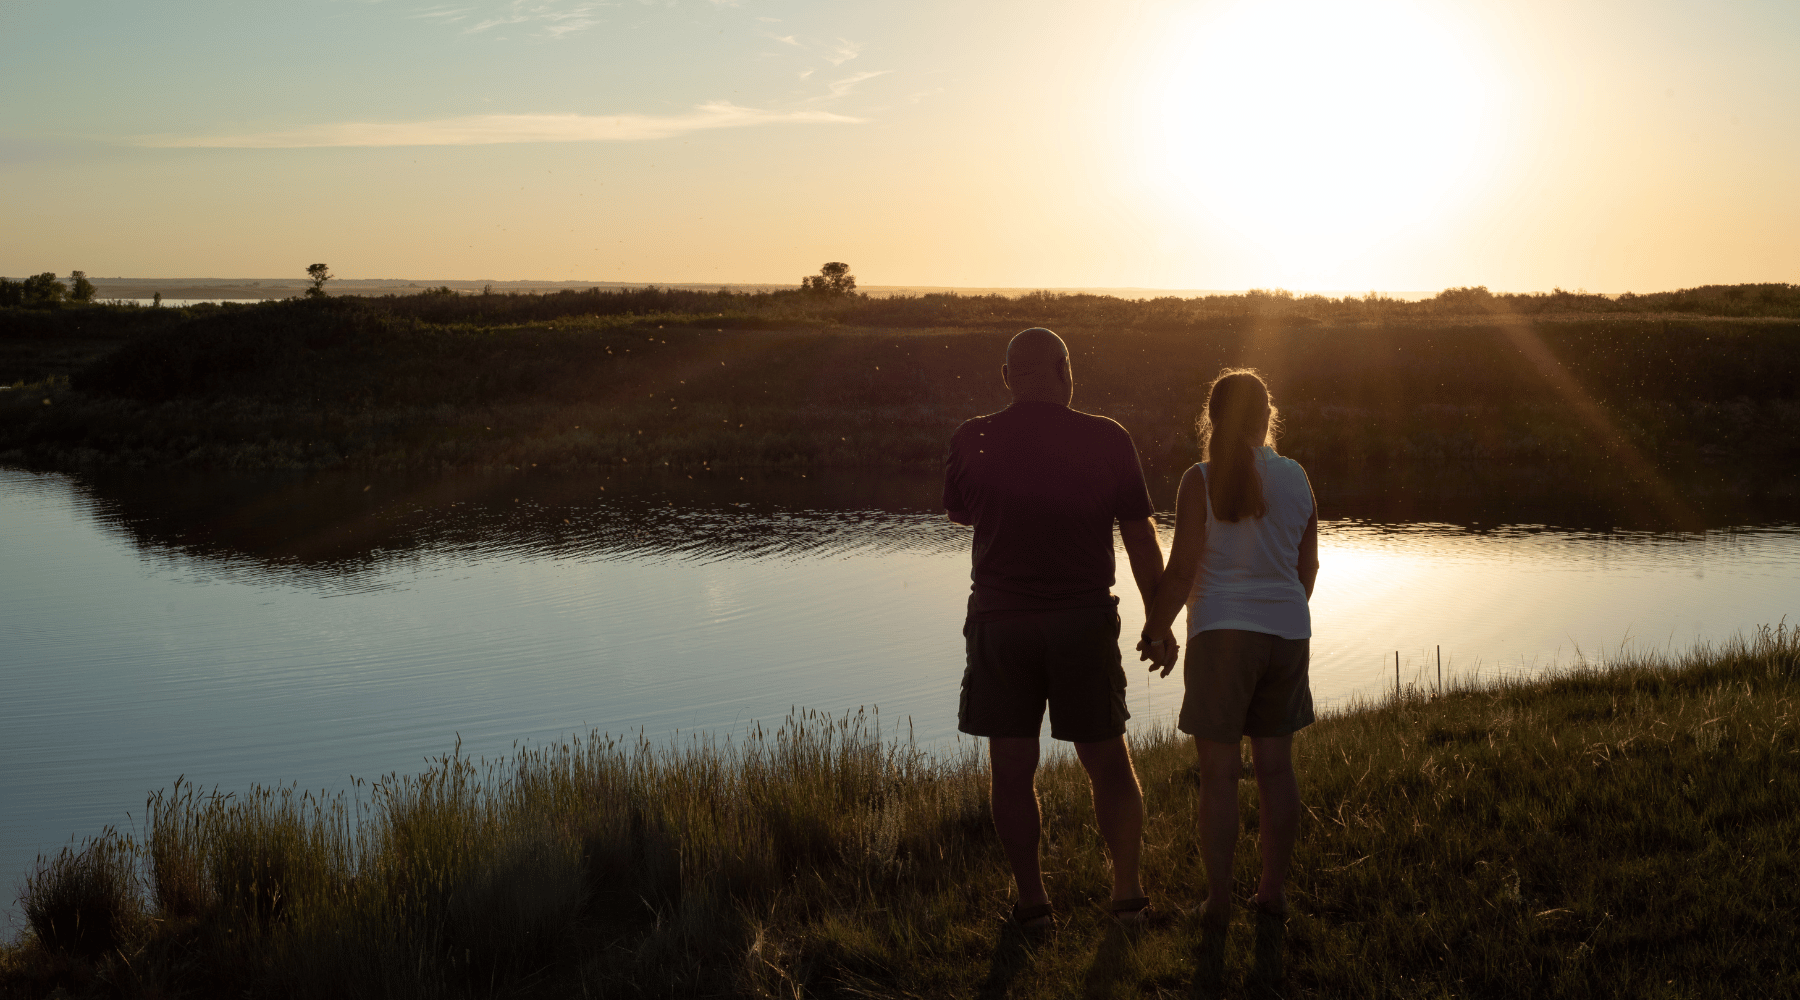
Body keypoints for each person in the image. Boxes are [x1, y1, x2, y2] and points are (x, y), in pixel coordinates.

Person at [944, 327, 1180, 934]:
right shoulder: (1106, 438)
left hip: (1000, 624)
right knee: (1108, 763)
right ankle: (1127, 901)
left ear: (1006, 377)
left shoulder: (974, 437)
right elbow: (1139, 539)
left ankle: (1032, 907)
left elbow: (964, 514)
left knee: (1012, 769)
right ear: (1065, 371)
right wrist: (1158, 622)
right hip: (1082, 623)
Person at [1140, 368, 1319, 941]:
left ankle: (1219, 904)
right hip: (1289, 634)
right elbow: (1307, 568)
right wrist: (1282, 612)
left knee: (1219, 776)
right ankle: (1272, 893)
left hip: (1222, 635)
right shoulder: (1297, 478)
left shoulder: (1201, 479)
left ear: (1212, 418)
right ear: (1268, 415)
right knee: (1275, 768)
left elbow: (1184, 569)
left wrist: (1156, 628)